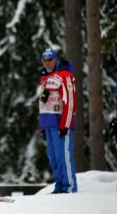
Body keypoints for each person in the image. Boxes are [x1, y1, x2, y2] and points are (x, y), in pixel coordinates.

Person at [38, 48, 77, 193]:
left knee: (64, 157)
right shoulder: (45, 78)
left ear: (56, 60)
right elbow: (44, 103)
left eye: (50, 59)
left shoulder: (64, 75)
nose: (47, 63)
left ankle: (69, 187)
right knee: (54, 158)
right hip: (48, 124)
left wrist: (65, 124)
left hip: (61, 124)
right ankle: (59, 186)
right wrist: (41, 126)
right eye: (45, 60)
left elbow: (71, 102)